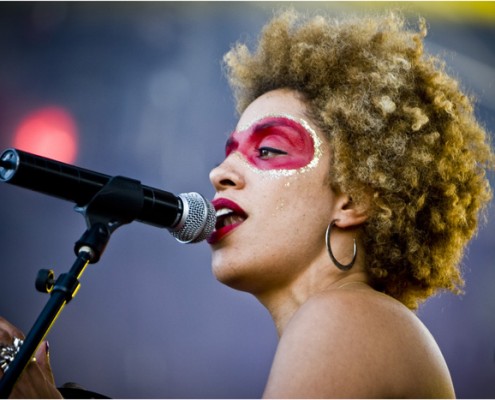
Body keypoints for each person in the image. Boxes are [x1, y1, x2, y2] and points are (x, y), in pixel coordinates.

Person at [0, 8, 493, 399]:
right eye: (229, 153)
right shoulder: (355, 323)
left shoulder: (345, 317)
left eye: (271, 150)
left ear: (354, 199)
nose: (220, 174)